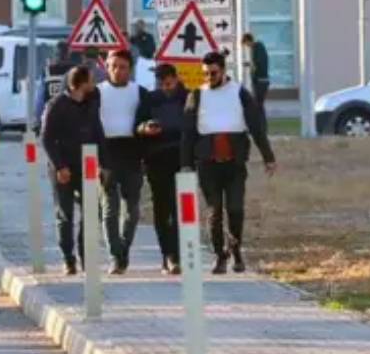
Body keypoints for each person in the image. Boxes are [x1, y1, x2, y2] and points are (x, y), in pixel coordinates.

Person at [181, 51, 278, 275]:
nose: (209, 78)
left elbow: (256, 127)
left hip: (234, 163)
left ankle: (235, 250)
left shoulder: (240, 93)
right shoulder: (196, 95)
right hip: (208, 163)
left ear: (223, 71)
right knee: (214, 212)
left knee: (235, 209)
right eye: (205, 74)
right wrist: (186, 164)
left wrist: (268, 157)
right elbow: (188, 134)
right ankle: (219, 255)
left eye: (213, 73)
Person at [40, 66, 104, 275]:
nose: (93, 84)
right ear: (80, 83)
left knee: (91, 212)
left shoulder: (92, 102)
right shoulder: (57, 105)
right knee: (65, 214)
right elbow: (47, 138)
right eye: (90, 80)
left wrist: (104, 164)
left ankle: (87, 257)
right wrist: (60, 166)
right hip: (63, 167)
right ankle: (68, 258)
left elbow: (98, 133)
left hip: (87, 167)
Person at [96, 49, 144, 274]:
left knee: (132, 210)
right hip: (106, 153)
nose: (117, 71)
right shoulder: (97, 93)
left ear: (130, 69)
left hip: (132, 152)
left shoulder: (139, 92)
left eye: (122, 67)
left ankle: (124, 248)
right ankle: (115, 256)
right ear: (106, 67)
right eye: (113, 66)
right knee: (109, 208)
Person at [136, 64, 186, 275]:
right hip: (157, 159)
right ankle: (167, 254)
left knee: (180, 210)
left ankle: (178, 255)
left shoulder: (188, 98)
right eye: (160, 83)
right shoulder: (150, 99)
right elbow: (137, 126)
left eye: (168, 82)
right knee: (162, 209)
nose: (165, 87)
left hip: (182, 159)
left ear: (176, 79)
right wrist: (145, 128)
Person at [242, 32, 270, 106]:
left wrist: (250, 65)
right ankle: (259, 117)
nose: (247, 46)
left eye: (246, 43)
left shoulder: (258, 46)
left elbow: (257, 62)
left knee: (258, 104)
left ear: (248, 40)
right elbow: (256, 63)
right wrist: (248, 64)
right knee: (258, 104)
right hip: (258, 80)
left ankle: (260, 117)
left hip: (261, 80)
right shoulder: (255, 48)